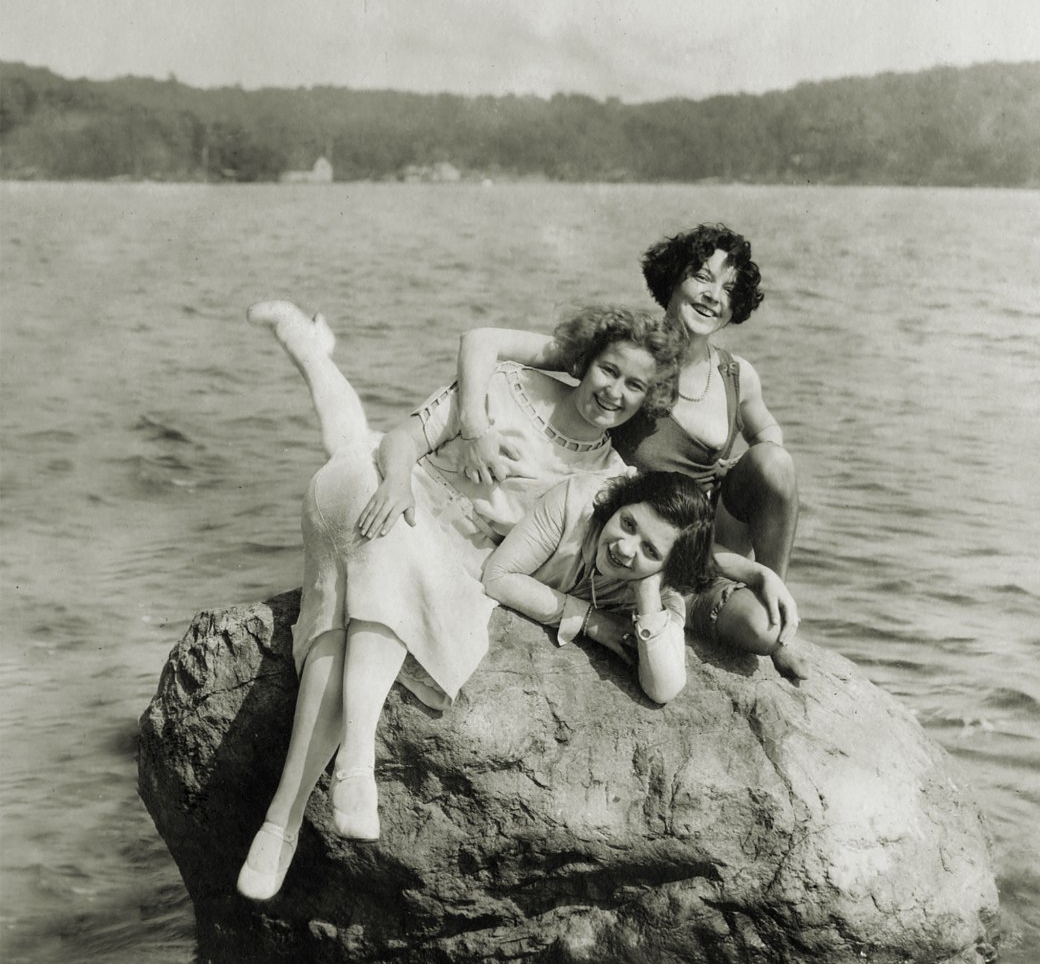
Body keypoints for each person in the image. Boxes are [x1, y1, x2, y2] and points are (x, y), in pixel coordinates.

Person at [235, 300, 696, 902]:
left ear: (647, 399)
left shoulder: (608, 481)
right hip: (391, 489)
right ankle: (351, 768)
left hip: (448, 553)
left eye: (635, 385)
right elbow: (403, 438)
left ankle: (281, 825)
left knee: (348, 598)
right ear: (586, 362)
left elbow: (591, 563)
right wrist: (401, 479)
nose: (615, 391)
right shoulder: (508, 387)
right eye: (609, 370)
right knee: (369, 488)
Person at [456, 223, 805, 680]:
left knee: (775, 463)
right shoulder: (630, 353)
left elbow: (768, 430)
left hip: (705, 542)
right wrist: (473, 427)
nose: (712, 296)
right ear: (673, 279)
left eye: (729, 288)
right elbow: (482, 340)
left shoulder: (738, 374)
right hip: (640, 547)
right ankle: (747, 613)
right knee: (755, 632)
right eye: (701, 276)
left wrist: (743, 468)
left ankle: (779, 602)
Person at [485, 470, 717, 706]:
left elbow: (663, 689)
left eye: (650, 550)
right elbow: (498, 577)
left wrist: (647, 592)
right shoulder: (576, 501)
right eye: (627, 524)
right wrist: (591, 620)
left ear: (668, 570)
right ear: (620, 503)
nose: (624, 549)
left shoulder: (664, 591)